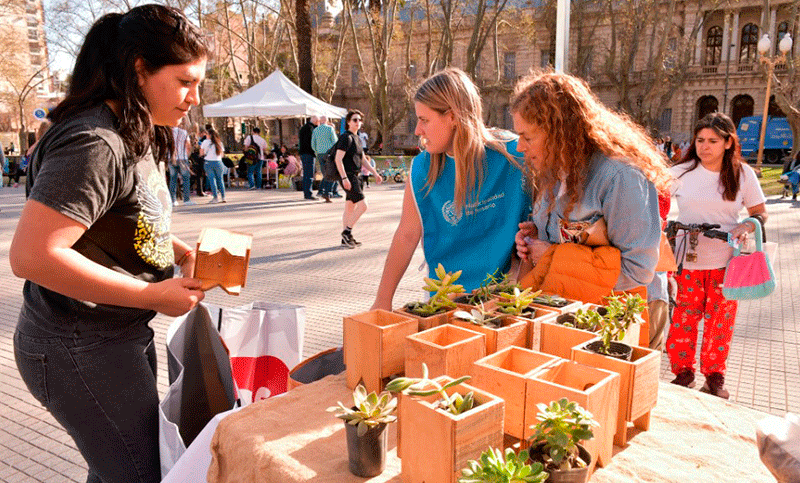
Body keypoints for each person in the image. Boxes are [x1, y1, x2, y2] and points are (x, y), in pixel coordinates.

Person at [8, 5, 207, 483]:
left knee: (120, 470)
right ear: (139, 69)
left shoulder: (132, 128)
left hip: (112, 338)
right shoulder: (95, 141)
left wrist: (178, 252)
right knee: (142, 474)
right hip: (76, 347)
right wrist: (151, 295)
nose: (193, 98)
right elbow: (32, 256)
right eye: (184, 81)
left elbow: (127, 216)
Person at [512, 71, 671, 312]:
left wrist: (553, 258)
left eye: (527, 137)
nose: (519, 146)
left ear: (559, 133)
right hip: (577, 308)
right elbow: (572, 239)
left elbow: (638, 270)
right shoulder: (553, 169)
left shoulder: (620, 175)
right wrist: (537, 236)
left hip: (624, 315)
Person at [372, 68, 530, 309]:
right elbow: (406, 235)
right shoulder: (422, 168)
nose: (417, 130)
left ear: (453, 116)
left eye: (424, 120)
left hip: (504, 297)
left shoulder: (513, 154)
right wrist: (383, 300)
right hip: (444, 299)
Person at [666, 112, 767, 399]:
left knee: (720, 322)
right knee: (684, 317)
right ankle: (683, 372)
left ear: (727, 142)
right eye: (700, 140)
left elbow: (760, 213)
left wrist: (747, 224)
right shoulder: (681, 172)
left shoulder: (742, 173)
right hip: (687, 261)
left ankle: (714, 377)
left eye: (712, 140)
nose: (704, 146)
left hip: (727, 264)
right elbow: (656, 201)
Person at [332, 109, 383, 248]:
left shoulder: (357, 138)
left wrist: (375, 173)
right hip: (348, 176)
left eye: (360, 120)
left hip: (357, 176)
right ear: (348, 122)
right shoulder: (345, 138)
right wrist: (344, 178)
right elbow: (338, 159)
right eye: (355, 120)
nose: (358, 122)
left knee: (349, 207)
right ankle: (347, 232)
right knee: (364, 205)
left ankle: (345, 239)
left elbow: (363, 160)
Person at [312, 114, 338, 202]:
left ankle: (323, 191)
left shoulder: (315, 130)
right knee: (332, 173)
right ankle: (327, 193)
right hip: (329, 153)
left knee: (325, 173)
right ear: (327, 121)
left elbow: (313, 144)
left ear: (320, 121)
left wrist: (317, 151)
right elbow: (335, 141)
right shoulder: (330, 129)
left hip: (320, 154)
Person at [170, 120, 193, 205]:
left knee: (173, 179)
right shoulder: (184, 132)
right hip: (182, 158)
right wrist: (187, 154)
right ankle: (186, 200)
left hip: (172, 157)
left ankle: (173, 200)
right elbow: (188, 145)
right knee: (186, 178)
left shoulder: (169, 133)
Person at [200, 127, 226, 203]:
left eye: (207, 134)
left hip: (208, 162)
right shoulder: (219, 143)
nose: (206, 135)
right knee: (220, 180)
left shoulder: (205, 142)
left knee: (212, 180)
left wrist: (205, 154)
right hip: (218, 162)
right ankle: (223, 197)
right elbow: (222, 155)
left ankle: (215, 198)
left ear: (209, 135)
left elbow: (201, 153)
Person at [298, 116, 317, 200]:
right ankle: (308, 193)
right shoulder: (311, 129)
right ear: (315, 121)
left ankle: (306, 192)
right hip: (309, 153)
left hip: (303, 153)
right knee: (309, 174)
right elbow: (312, 142)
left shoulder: (303, 128)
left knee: (306, 174)